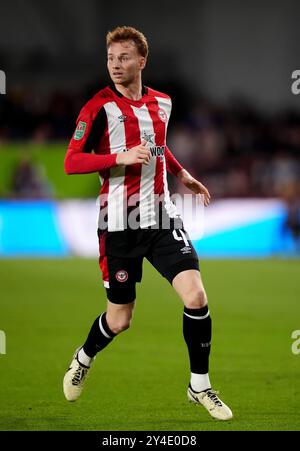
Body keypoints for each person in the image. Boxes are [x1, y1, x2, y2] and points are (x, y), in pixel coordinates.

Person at [63, 26, 232, 421]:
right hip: (118, 222)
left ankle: (200, 386)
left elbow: (157, 145)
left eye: (123, 58)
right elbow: (72, 160)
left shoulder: (163, 103)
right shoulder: (97, 109)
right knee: (120, 320)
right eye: (110, 59)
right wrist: (117, 157)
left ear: (142, 61)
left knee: (196, 297)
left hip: (160, 214)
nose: (116, 65)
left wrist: (182, 173)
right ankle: (84, 357)